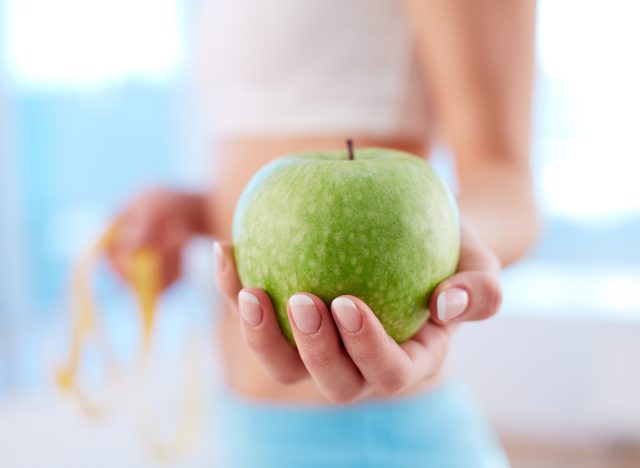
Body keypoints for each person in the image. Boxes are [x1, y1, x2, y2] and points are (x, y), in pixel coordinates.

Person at [107, 0, 539, 466]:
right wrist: (192, 213)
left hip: (380, 440)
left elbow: (505, 185)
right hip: (247, 431)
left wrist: (447, 238)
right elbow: (279, 183)